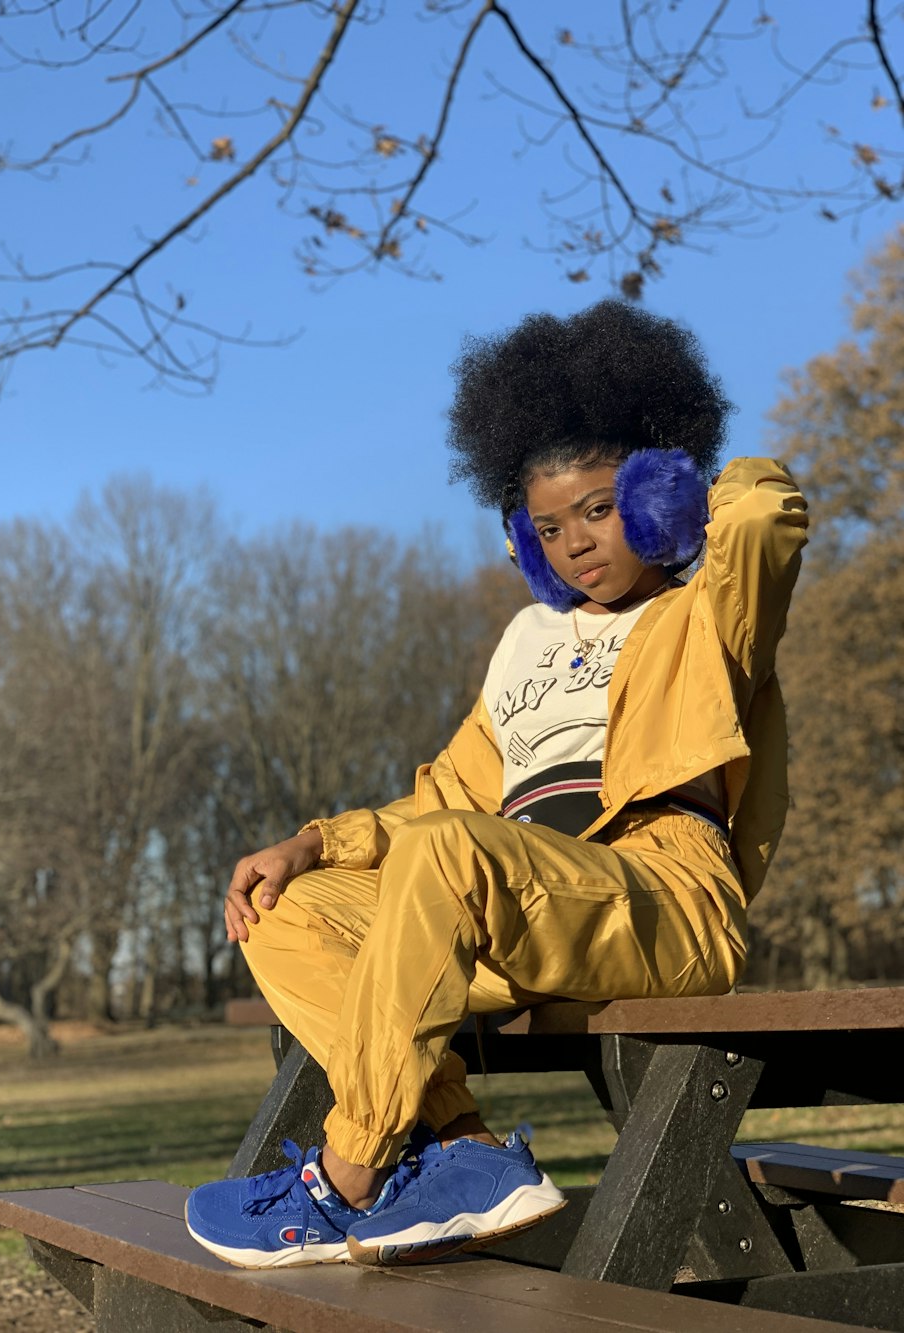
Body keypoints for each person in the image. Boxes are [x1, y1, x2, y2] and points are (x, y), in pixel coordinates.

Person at [185, 300, 808, 1270]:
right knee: (287, 910)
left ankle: (348, 1174)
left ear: (656, 498)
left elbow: (766, 514)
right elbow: (441, 802)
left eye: (602, 509)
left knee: (449, 856)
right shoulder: (527, 643)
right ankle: (459, 1150)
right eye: (548, 526)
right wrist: (312, 842)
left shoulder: (703, 618)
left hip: (662, 898)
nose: (574, 542)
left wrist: (688, 483)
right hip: (509, 905)